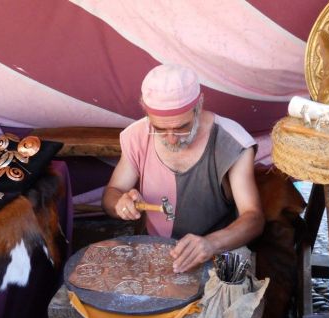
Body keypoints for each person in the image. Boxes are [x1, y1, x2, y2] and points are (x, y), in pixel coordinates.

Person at [102, 64, 264, 273]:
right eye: (160, 129)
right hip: (158, 252)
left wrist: (210, 243)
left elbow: (254, 218)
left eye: (181, 127)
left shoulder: (232, 140)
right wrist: (121, 203)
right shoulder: (137, 135)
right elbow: (110, 196)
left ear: (199, 106)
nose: (171, 139)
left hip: (217, 253)